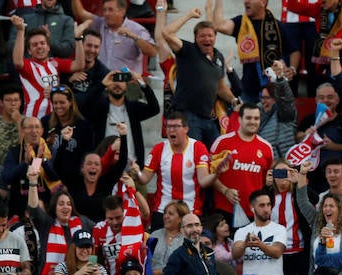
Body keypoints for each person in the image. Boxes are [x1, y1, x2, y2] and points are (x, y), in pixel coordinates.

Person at [161, 12, 234, 147]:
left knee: (217, 153)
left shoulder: (219, 57)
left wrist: (234, 100)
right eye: (202, 36)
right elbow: (166, 32)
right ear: (195, 38)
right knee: (194, 155)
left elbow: (221, 87)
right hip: (188, 116)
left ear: (215, 37)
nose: (207, 39)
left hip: (208, 117)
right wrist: (188, 15)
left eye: (210, 35)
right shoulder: (187, 50)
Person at [137, 112, 215, 225]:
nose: (171, 130)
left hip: (190, 210)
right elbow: (144, 179)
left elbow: (203, 181)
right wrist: (136, 171)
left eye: (176, 126)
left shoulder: (198, 147)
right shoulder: (159, 149)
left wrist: (217, 173)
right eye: (168, 126)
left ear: (186, 129)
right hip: (163, 210)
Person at [11, 14, 86, 119]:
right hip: (34, 120)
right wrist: (20, 31)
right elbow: (17, 62)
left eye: (42, 43)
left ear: (48, 47)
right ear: (29, 51)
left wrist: (78, 38)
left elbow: (79, 64)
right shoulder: (28, 65)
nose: (39, 47)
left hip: (55, 119)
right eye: (35, 45)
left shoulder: (55, 63)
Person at [210, 104, 275, 225]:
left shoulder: (266, 148)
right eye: (248, 118)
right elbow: (208, 175)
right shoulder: (222, 143)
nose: (253, 122)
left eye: (256, 118)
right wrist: (225, 191)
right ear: (240, 119)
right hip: (225, 211)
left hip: (253, 214)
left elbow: (265, 181)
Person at [232, 189, 287, 275]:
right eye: (262, 205)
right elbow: (235, 254)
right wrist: (244, 245)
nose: (266, 209)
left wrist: (259, 244)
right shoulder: (242, 231)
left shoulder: (279, 229)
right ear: (252, 208)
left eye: (268, 205)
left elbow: (277, 252)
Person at [71, 0, 156, 73]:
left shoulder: (136, 29)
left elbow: (152, 52)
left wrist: (134, 37)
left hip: (127, 82)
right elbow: (80, 13)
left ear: (122, 11)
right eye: (104, 10)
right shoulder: (100, 23)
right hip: (102, 82)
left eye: (110, 10)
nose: (106, 14)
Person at [8, 0, 75, 58]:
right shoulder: (25, 19)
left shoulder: (67, 20)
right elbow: (11, 47)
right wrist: (32, 41)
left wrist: (49, 41)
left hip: (56, 69)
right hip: (29, 68)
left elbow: (69, 50)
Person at [149, 200, 190, 275]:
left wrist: (161, 272)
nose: (165, 216)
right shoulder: (155, 235)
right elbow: (146, 261)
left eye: (170, 214)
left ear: (181, 218)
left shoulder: (186, 240)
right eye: (165, 213)